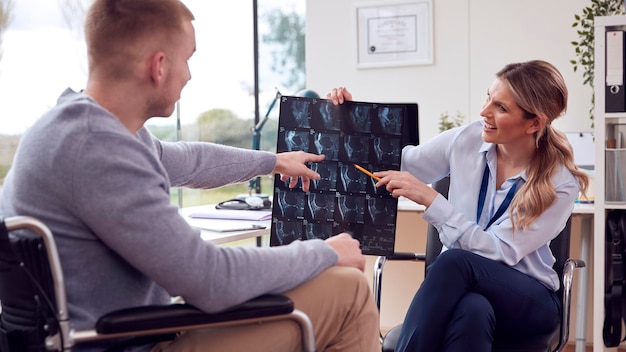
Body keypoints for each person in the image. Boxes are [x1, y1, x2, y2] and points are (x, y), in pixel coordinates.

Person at [0, 1, 381, 351]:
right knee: (348, 291)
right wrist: (325, 251)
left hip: (125, 332)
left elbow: (190, 160)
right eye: (187, 59)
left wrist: (274, 161)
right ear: (159, 65)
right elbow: (210, 279)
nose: (189, 75)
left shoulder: (82, 128)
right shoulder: (97, 148)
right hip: (132, 343)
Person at [328, 60, 589, 351]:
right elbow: (399, 163)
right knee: (472, 311)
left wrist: (431, 199)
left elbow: (499, 251)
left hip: (529, 299)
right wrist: (351, 120)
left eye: (501, 108)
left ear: (534, 123)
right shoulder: (467, 139)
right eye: (488, 97)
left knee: (453, 261)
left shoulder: (560, 182)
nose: (484, 112)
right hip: (469, 290)